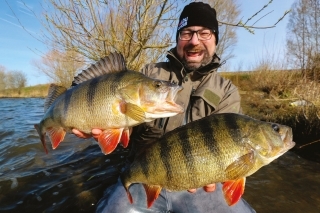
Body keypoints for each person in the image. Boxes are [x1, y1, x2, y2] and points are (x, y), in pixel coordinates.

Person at [73, 2, 256, 213]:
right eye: (187, 33)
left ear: (216, 39)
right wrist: (102, 123)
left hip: (202, 184)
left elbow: (233, 147)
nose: (194, 41)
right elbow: (126, 124)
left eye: (204, 33)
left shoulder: (226, 91)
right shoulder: (150, 74)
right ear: (178, 38)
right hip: (144, 175)